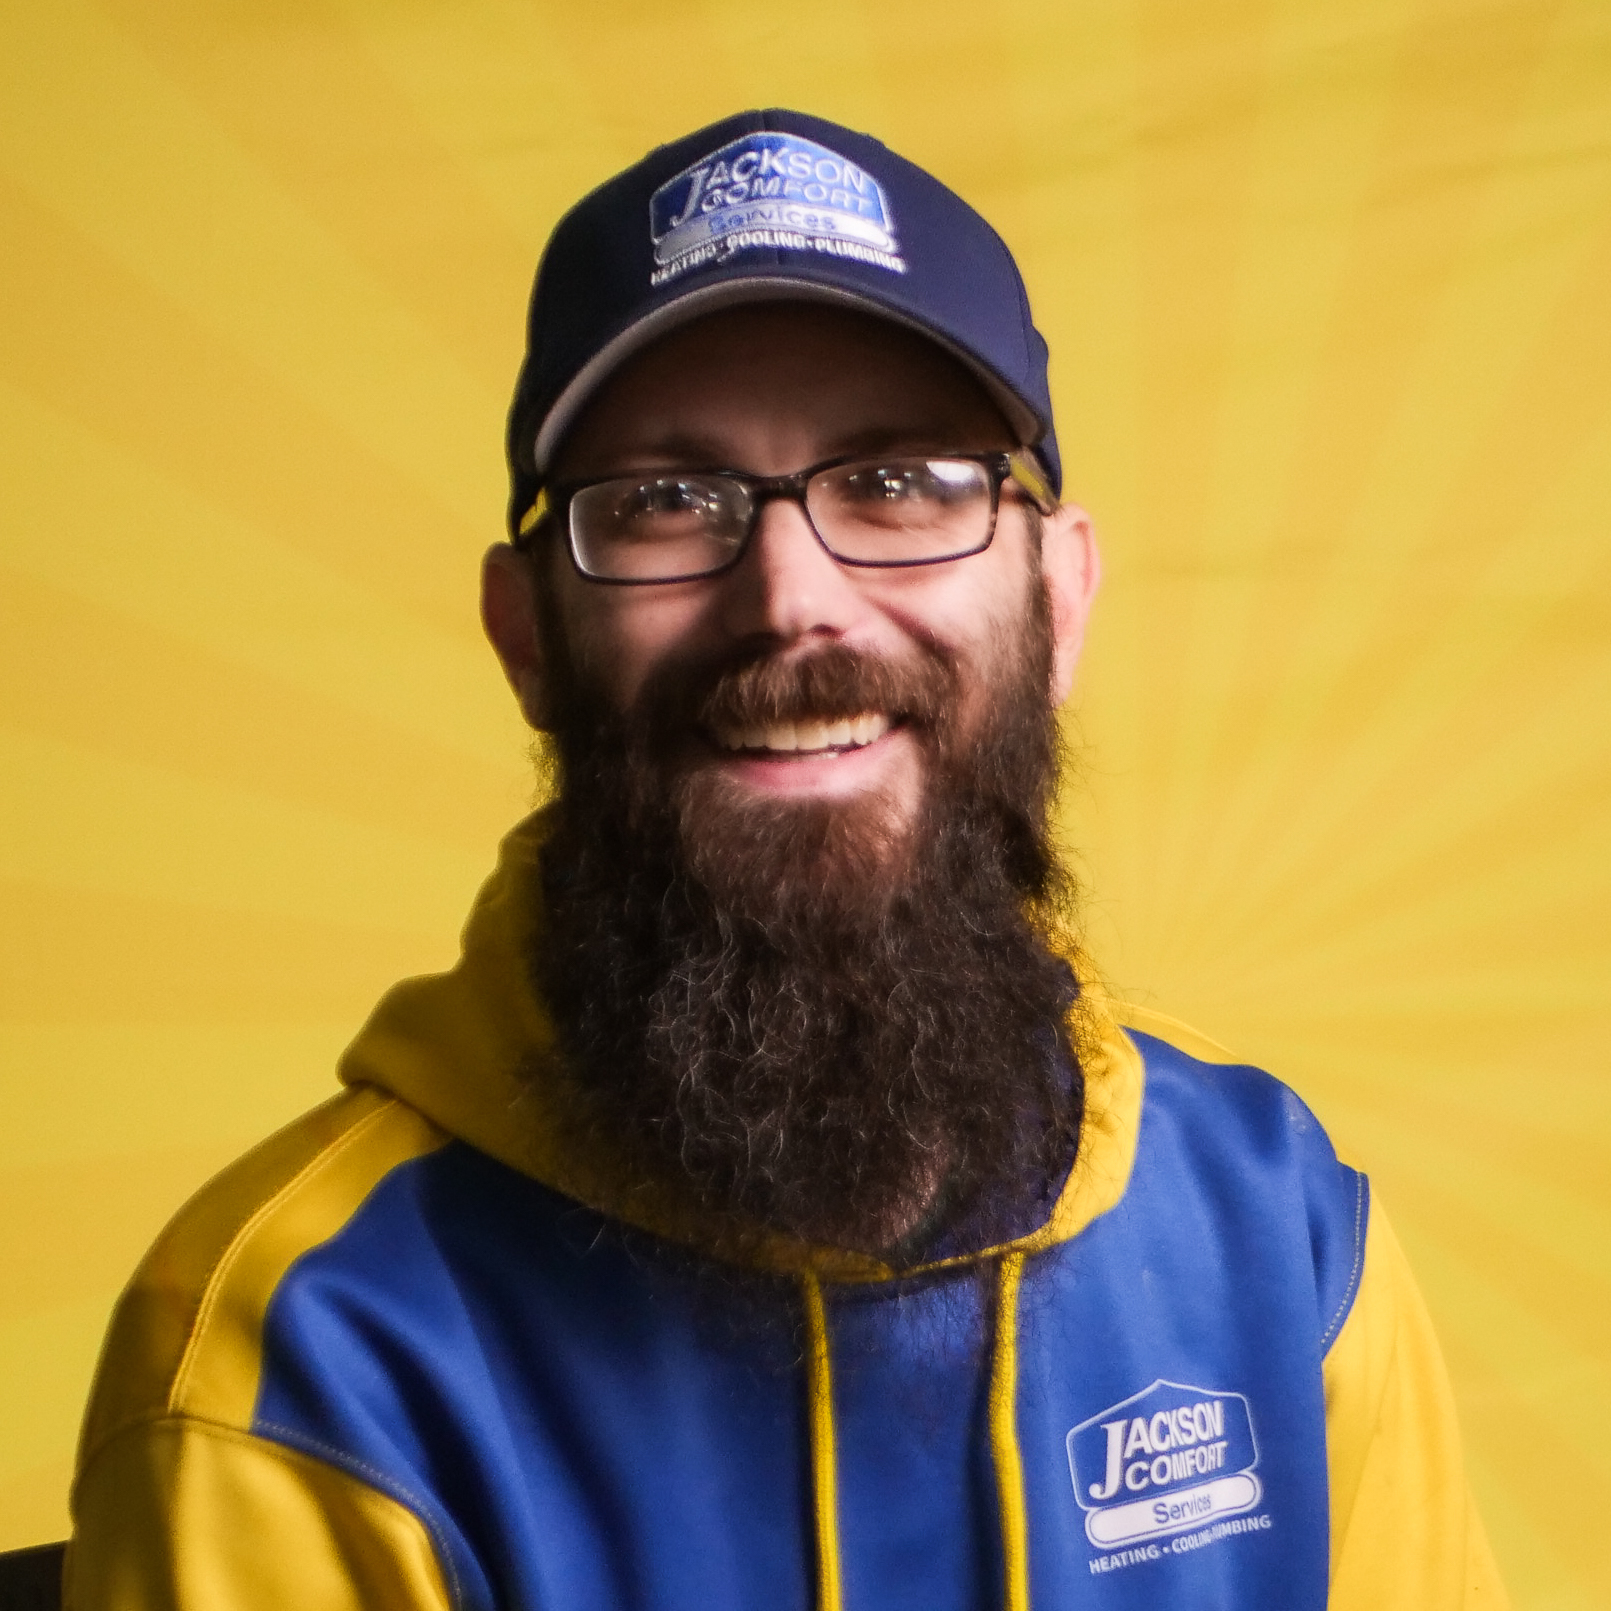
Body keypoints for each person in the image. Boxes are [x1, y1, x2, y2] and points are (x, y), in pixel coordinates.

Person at [66, 109, 1506, 1611]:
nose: (792, 600)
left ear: (1060, 599)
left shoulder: (1279, 1234)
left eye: (899, 483)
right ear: (526, 642)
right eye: (666, 505)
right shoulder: (298, 1362)